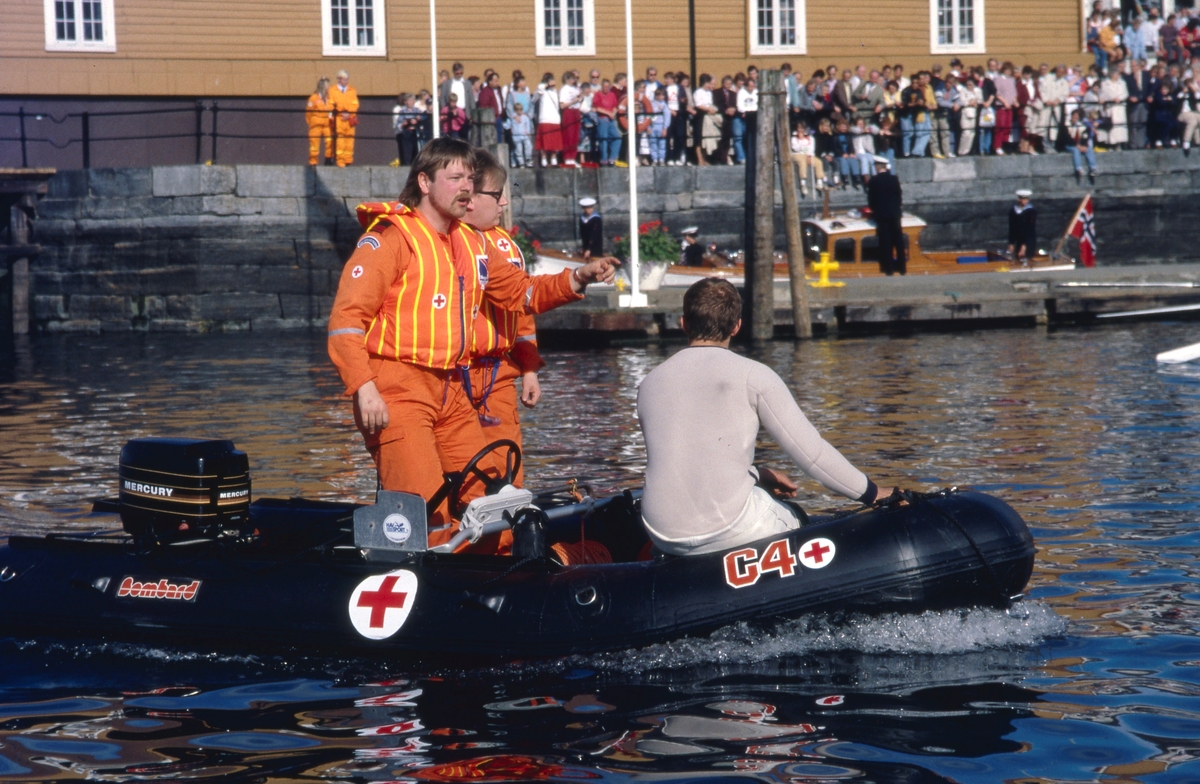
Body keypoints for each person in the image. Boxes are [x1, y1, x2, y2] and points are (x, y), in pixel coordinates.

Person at [326, 137, 617, 550]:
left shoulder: (474, 243)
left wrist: (578, 278)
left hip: (450, 387)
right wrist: (364, 387)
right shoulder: (391, 239)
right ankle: (426, 575)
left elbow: (522, 294)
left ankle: (498, 574)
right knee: (424, 502)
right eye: (454, 177)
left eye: (469, 178)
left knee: (491, 495)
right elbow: (346, 322)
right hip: (397, 388)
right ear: (424, 182)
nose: (465, 187)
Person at [636, 278, 892, 557]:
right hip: (729, 528)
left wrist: (758, 475)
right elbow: (813, 455)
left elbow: (687, 459)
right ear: (737, 326)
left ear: (683, 323)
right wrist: (874, 494)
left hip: (661, 533)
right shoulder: (753, 375)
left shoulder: (649, 383)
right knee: (796, 516)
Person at [462, 149, 545, 488]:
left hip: (494, 375)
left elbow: (521, 316)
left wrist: (528, 370)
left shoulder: (505, 247)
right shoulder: (439, 239)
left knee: (504, 472)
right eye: (497, 196)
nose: (504, 205)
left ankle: (506, 539)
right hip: (449, 375)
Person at [867, 156, 905, 275]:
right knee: (898, 240)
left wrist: (874, 211)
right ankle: (902, 268)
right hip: (895, 213)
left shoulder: (874, 180)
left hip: (881, 214)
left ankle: (888, 269)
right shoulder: (894, 179)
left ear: (878, 167)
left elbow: (871, 200)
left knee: (886, 241)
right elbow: (899, 197)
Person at [329, 70, 359, 167]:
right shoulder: (332, 91)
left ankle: (348, 160)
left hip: (349, 118)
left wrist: (349, 113)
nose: (346, 81)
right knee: (340, 140)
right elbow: (331, 104)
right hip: (339, 118)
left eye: (347, 79)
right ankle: (340, 161)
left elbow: (355, 104)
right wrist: (341, 112)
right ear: (339, 79)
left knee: (349, 139)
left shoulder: (352, 90)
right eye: (344, 79)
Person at [536, 72, 563, 167]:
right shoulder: (542, 90)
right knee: (544, 140)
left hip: (555, 118)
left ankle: (553, 158)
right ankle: (543, 158)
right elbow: (540, 89)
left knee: (554, 141)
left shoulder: (555, 92)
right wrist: (547, 85)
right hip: (544, 118)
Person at [306, 77, 333, 166]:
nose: (329, 87)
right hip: (316, 123)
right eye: (328, 85)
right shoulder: (313, 98)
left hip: (327, 123)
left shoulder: (330, 98)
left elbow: (331, 110)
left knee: (330, 141)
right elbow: (308, 112)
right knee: (314, 143)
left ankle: (328, 159)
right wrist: (311, 122)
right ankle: (313, 162)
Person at [1008, 189, 1037, 262]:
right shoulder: (1013, 211)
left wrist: (1024, 246)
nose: (1026, 201)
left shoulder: (1030, 211)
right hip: (1018, 240)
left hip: (1028, 241)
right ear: (1019, 199)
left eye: (1027, 199)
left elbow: (1030, 229)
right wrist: (1011, 243)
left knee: (1026, 259)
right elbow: (1012, 227)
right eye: (1024, 199)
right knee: (1017, 259)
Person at [1067, 109, 1098, 179]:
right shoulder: (1066, 125)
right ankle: (1078, 168)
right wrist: (1077, 145)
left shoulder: (1081, 126)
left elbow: (1085, 136)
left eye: (1077, 118)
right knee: (1075, 150)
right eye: (1074, 117)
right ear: (1071, 117)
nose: (1076, 119)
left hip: (1079, 145)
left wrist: (1084, 146)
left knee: (1089, 148)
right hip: (1069, 145)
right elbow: (1067, 138)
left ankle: (1093, 168)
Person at [393, 93, 422, 165]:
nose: (411, 102)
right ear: (405, 102)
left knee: (415, 150)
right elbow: (398, 123)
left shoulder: (417, 110)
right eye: (409, 101)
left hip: (415, 132)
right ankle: (407, 165)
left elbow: (424, 118)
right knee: (406, 151)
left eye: (412, 100)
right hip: (406, 132)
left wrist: (417, 120)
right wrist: (404, 124)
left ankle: (414, 165)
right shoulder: (402, 111)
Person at [509, 102, 534, 167]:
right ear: (515, 110)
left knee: (529, 146)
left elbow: (527, 125)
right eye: (518, 110)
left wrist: (528, 133)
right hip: (516, 137)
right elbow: (508, 124)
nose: (520, 111)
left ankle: (528, 161)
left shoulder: (525, 117)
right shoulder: (513, 118)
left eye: (521, 110)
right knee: (518, 150)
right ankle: (521, 163)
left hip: (524, 135)